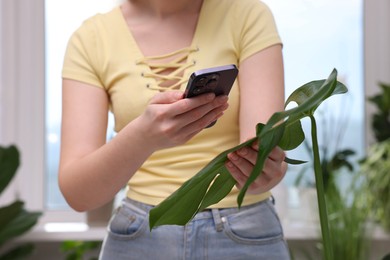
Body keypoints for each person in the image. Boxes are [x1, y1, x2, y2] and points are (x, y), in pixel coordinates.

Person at [59, 0, 289, 259]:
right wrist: (142, 138)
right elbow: (78, 194)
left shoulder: (247, 14)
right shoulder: (90, 39)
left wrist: (266, 171)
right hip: (139, 235)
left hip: (245, 229)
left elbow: (263, 149)